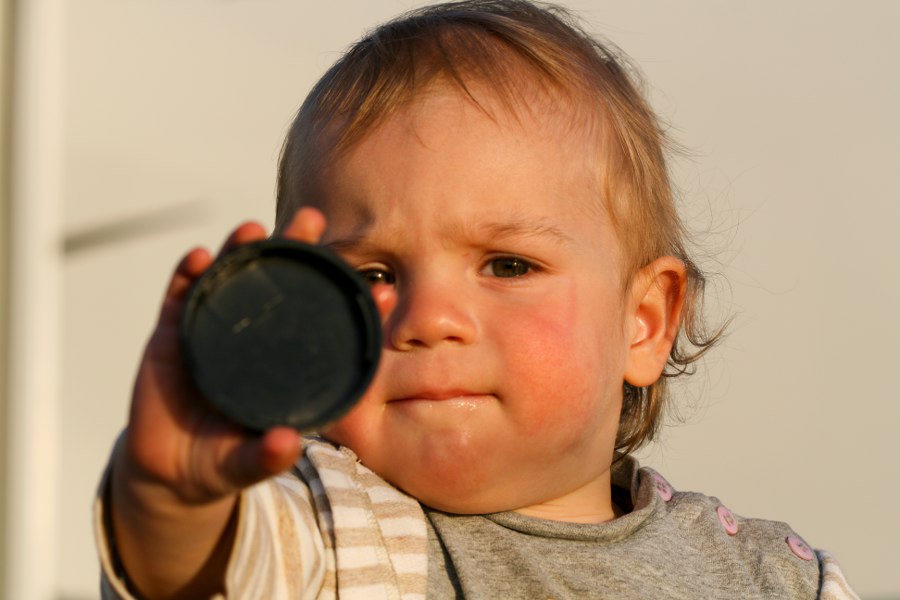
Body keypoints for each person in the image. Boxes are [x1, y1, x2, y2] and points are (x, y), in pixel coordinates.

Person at [94, 1, 858, 598]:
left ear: (644, 321)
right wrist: (170, 496)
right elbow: (196, 570)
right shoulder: (321, 527)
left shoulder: (772, 579)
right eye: (374, 275)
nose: (429, 319)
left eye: (507, 265)